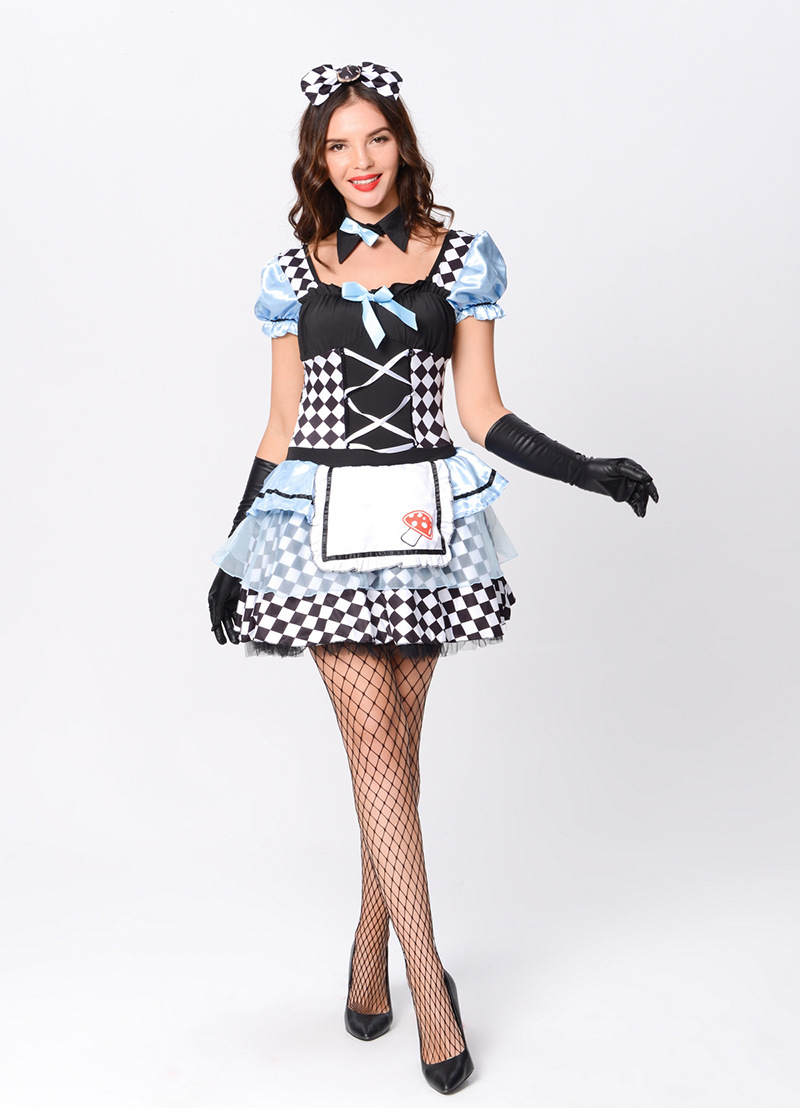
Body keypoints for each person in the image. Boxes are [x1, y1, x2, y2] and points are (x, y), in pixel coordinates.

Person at [208, 61, 658, 1096]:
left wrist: (586, 469)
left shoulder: (460, 258)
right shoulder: (294, 271)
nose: (359, 161)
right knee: (375, 744)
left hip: (422, 523)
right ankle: (428, 981)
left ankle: (365, 957)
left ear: (402, 145)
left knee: (393, 759)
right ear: (318, 163)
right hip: (318, 525)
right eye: (338, 146)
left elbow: (482, 413)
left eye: (375, 138)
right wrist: (235, 547)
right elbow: (280, 423)